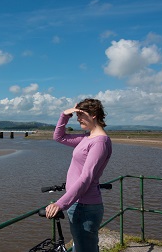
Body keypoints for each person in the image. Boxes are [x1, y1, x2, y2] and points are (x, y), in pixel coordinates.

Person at [45, 98, 112, 252]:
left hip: (84, 205)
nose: (78, 118)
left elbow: (86, 177)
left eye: (81, 115)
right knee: (84, 247)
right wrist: (64, 115)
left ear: (93, 114)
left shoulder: (99, 143)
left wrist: (60, 204)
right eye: (77, 115)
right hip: (79, 203)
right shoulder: (87, 138)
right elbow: (59, 137)